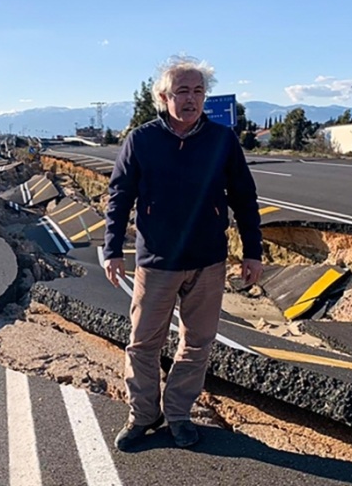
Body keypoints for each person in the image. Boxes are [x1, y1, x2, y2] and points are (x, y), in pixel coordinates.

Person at [103, 55, 264, 451]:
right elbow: (119, 197)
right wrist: (111, 249)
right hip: (157, 261)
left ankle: (177, 413)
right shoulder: (141, 140)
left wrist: (253, 251)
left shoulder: (222, 140)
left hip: (208, 260)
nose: (191, 99)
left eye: (198, 91)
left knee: (198, 342)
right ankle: (143, 414)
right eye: (182, 91)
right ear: (164, 96)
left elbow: (244, 198)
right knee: (143, 342)